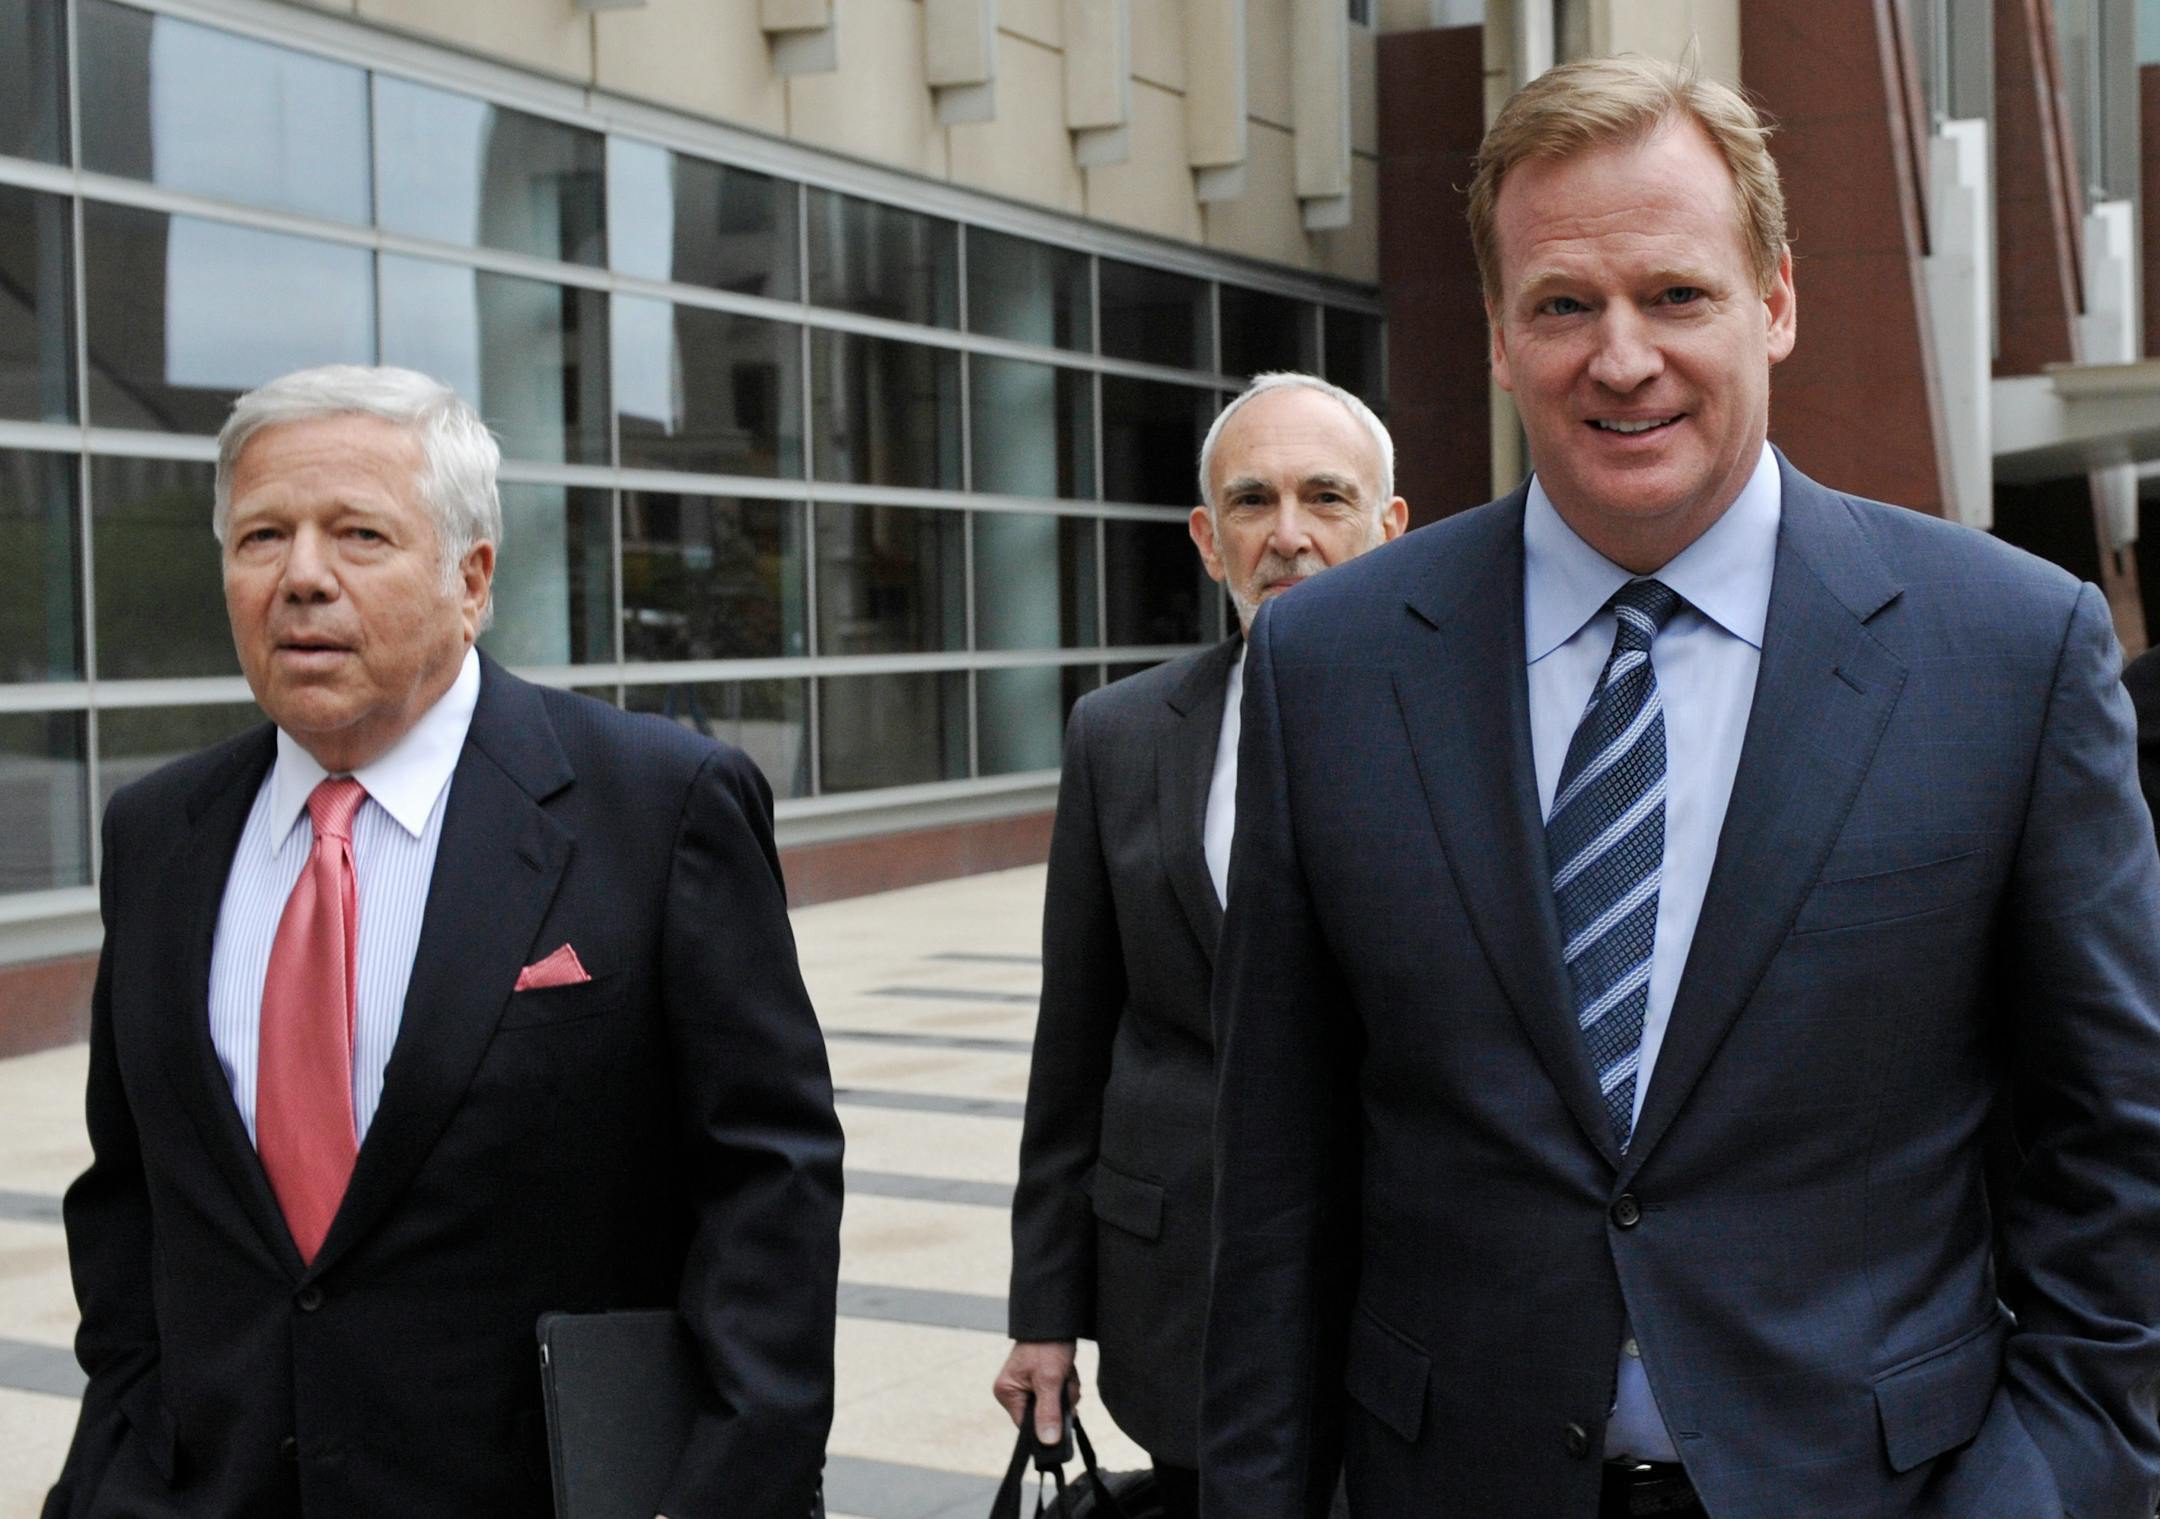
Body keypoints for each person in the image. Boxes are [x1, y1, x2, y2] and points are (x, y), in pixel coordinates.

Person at [1201, 55, 2160, 1519]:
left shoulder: (2010, 649)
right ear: (1499, 335)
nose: (1622, 356)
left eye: (1676, 293)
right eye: (1562, 305)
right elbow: (1277, 1178)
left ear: (1774, 300)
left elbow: (2118, 1152)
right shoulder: (1330, 665)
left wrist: (2046, 1486)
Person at [44, 365, 844, 1519]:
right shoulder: (158, 833)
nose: (301, 576)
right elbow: (128, 1193)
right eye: (263, 535)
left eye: (359, 534)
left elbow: (770, 1184)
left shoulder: (657, 807)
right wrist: (123, 1444)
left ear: (470, 580)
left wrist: (727, 1493)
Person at [995, 374, 1407, 1517]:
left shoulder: (1480, 729)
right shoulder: (1119, 735)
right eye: (1251, 501)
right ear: (1206, 536)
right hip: (1184, 1286)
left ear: (1391, 524)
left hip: (1409, 1293)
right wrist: (1044, 1309)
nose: (1289, 535)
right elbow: (1075, 1042)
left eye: (1327, 496)